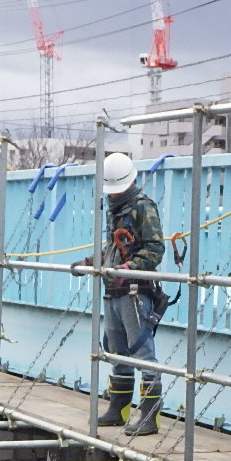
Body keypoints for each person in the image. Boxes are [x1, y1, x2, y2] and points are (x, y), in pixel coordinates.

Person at [74, 152, 166, 435]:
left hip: (135, 291)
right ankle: (119, 407)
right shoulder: (114, 210)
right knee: (116, 349)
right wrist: (90, 262)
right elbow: (112, 248)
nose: (114, 194)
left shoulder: (143, 207)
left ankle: (150, 414)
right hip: (113, 289)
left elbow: (155, 249)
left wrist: (129, 268)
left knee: (141, 350)